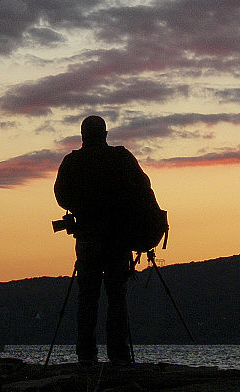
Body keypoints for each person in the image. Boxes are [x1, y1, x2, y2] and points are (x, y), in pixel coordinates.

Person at [54, 115, 151, 366]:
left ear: (83, 135)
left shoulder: (72, 162)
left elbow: (61, 197)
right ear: (105, 134)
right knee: (117, 296)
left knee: (87, 297)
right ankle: (118, 354)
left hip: (87, 239)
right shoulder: (121, 157)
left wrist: (82, 206)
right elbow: (143, 187)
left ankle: (86, 355)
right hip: (118, 239)